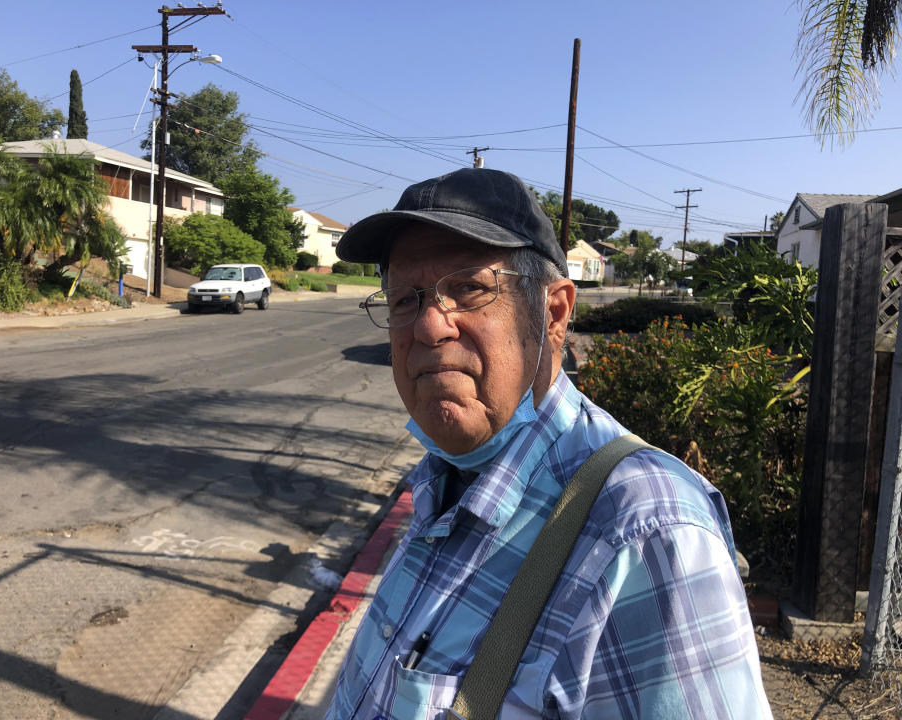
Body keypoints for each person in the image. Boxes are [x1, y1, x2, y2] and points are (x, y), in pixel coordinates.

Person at [325, 168, 771, 720]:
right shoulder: (447, 476)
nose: (428, 327)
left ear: (554, 313)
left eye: (467, 288)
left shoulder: (645, 532)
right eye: (403, 300)